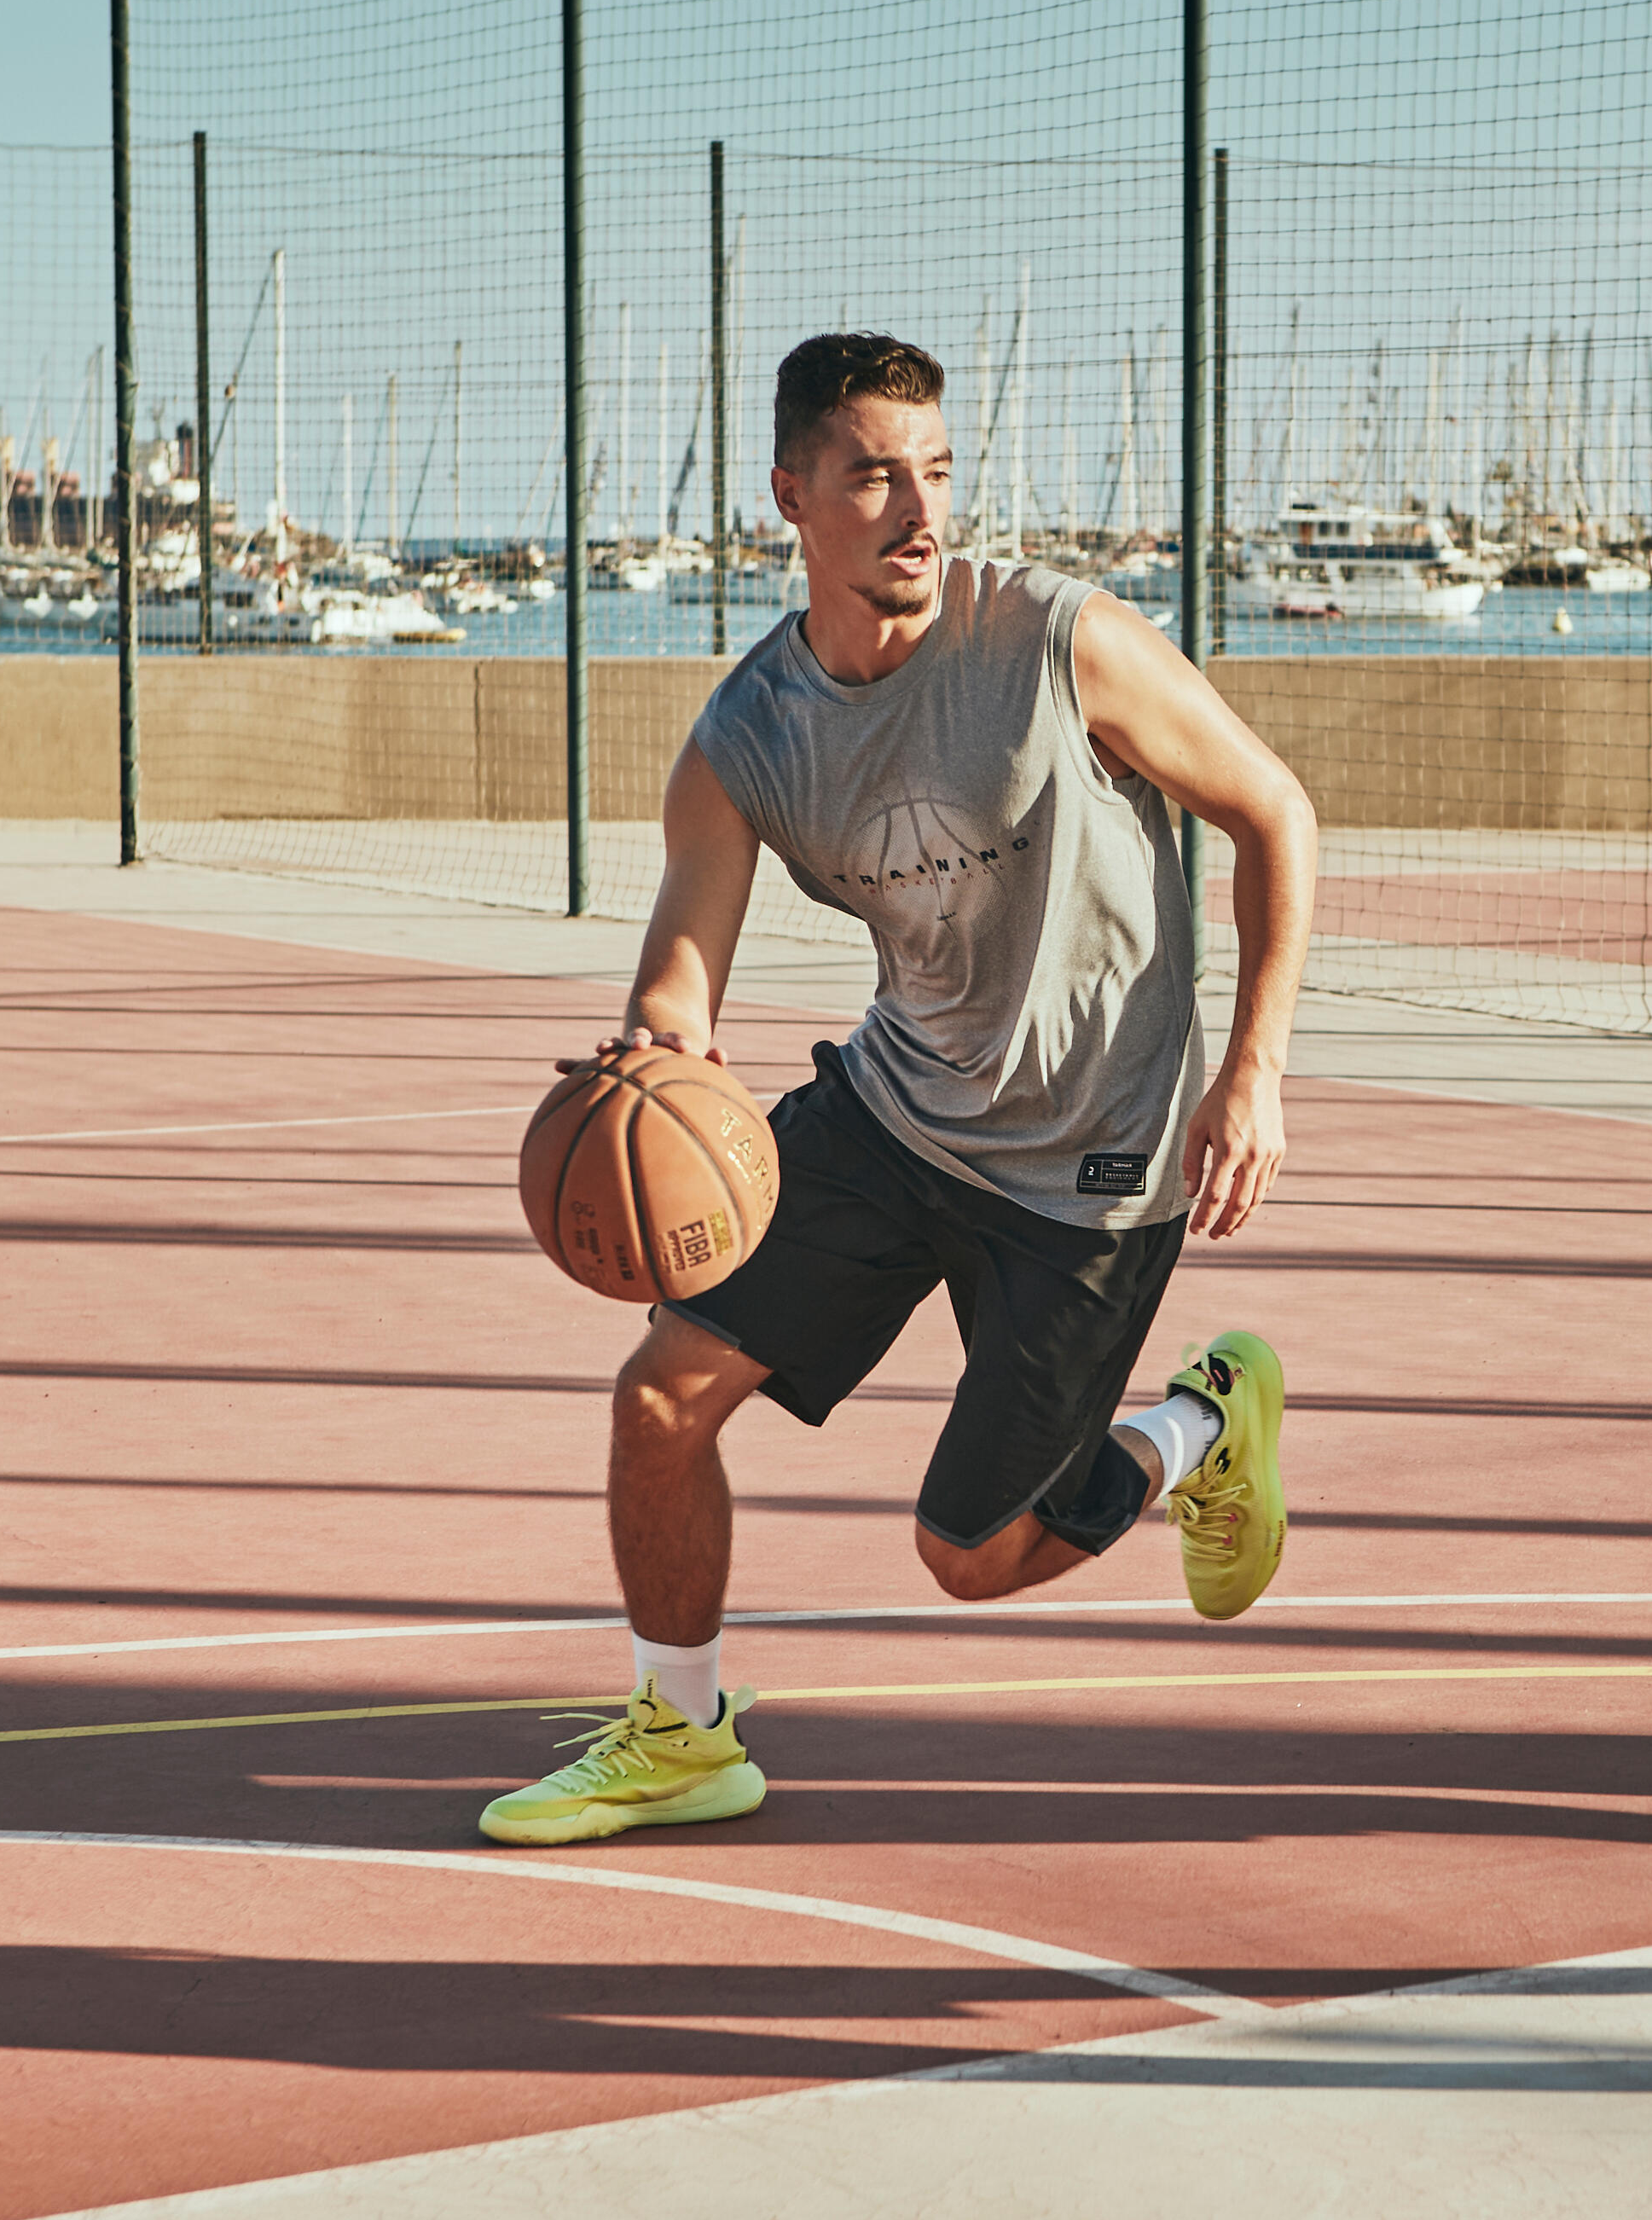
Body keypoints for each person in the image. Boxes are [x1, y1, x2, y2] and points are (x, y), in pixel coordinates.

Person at [478, 331, 1319, 1849]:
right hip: (898, 1110)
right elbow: (682, 966)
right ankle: (684, 1731)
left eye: (935, 472)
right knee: (662, 1399)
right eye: (874, 475)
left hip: (1093, 1164)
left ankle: (1201, 1423)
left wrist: (1253, 1072)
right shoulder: (750, 739)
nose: (919, 511)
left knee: (973, 1552)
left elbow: (1273, 811)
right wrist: (656, 1054)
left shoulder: (1058, 643)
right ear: (790, 498)